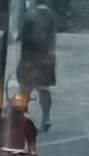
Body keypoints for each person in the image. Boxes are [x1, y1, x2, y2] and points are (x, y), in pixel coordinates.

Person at [18, 0, 56, 131]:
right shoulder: (50, 15)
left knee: (25, 88)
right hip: (45, 56)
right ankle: (46, 118)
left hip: (30, 56)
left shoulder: (29, 15)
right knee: (43, 88)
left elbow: (23, 37)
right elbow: (52, 38)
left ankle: (22, 116)